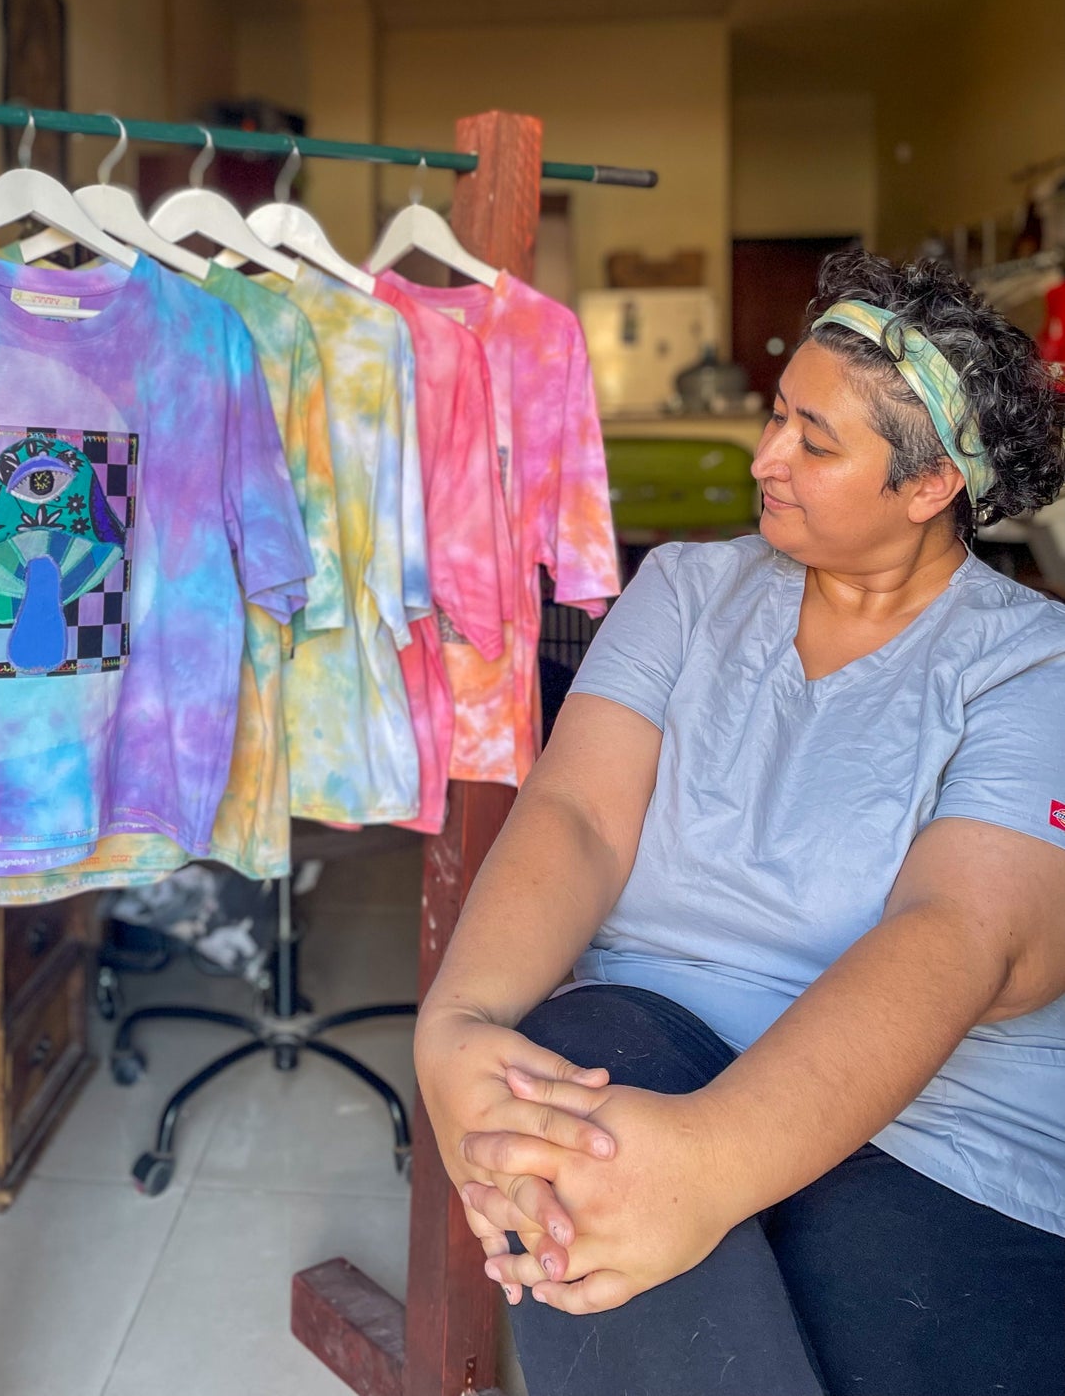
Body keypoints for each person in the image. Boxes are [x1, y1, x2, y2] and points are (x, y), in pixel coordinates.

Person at [414, 249, 1065, 1396]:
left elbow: (965, 935)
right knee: (575, 1085)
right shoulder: (682, 591)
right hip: (647, 1061)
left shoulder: (1032, 668)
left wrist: (708, 1168)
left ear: (925, 488)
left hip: (932, 1136)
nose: (764, 457)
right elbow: (574, 816)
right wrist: (455, 1022)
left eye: (814, 443)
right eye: (776, 416)